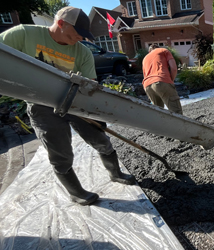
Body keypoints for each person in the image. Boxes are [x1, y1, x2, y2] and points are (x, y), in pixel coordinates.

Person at [0, 7, 135, 205]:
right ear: (61, 23)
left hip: (75, 101)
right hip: (42, 104)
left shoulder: (82, 52)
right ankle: (76, 192)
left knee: (100, 138)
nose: (80, 38)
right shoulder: (23, 35)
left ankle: (115, 173)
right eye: (78, 33)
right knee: (60, 150)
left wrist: (96, 113)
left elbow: (89, 85)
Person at [142, 44, 183, 114]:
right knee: (176, 112)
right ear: (158, 48)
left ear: (149, 51)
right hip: (161, 80)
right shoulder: (164, 50)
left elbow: (145, 75)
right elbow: (173, 68)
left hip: (147, 86)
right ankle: (179, 125)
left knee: (158, 113)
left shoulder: (145, 58)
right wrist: (170, 81)